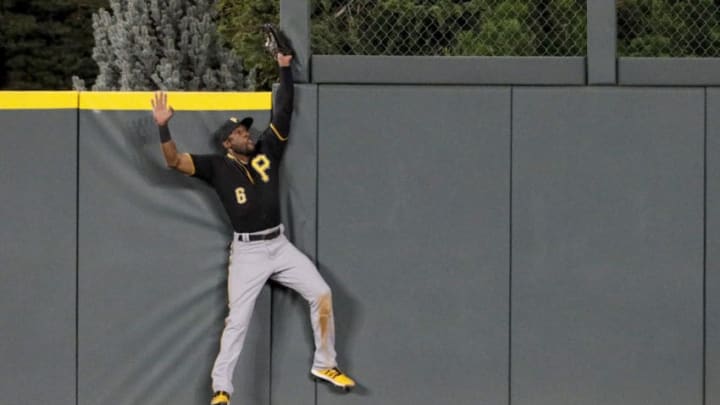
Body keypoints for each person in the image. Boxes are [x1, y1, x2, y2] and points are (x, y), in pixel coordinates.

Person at [150, 52, 355, 405]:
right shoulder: (216, 166)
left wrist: (285, 67)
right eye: (239, 133)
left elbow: (284, 112)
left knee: (321, 294)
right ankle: (221, 390)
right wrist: (163, 126)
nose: (247, 135)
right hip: (248, 253)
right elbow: (173, 161)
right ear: (227, 142)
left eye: (246, 130)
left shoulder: (265, 153)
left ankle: (325, 364)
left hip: (279, 244)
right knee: (238, 322)